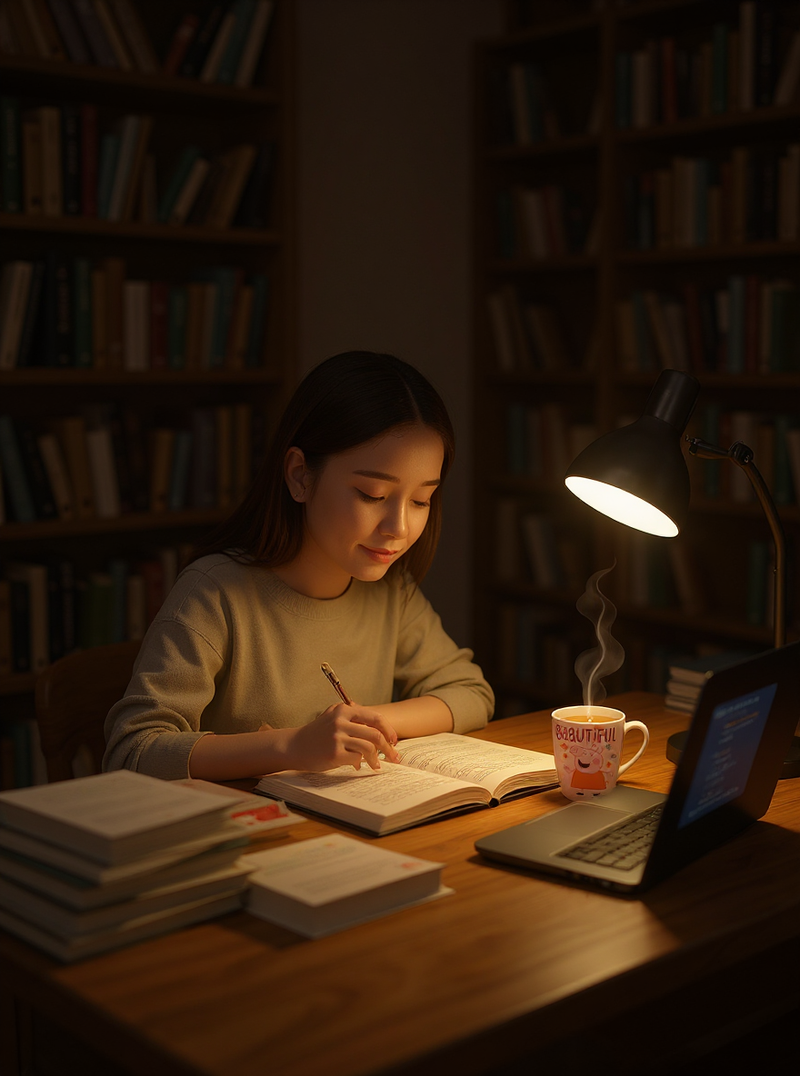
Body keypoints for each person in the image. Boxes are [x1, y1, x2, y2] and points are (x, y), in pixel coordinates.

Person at [103, 351, 494, 781]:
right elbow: (132, 750)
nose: (398, 528)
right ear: (300, 476)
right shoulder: (215, 592)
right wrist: (293, 745)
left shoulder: (390, 591)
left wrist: (362, 724)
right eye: (372, 494)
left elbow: (471, 693)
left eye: (421, 500)